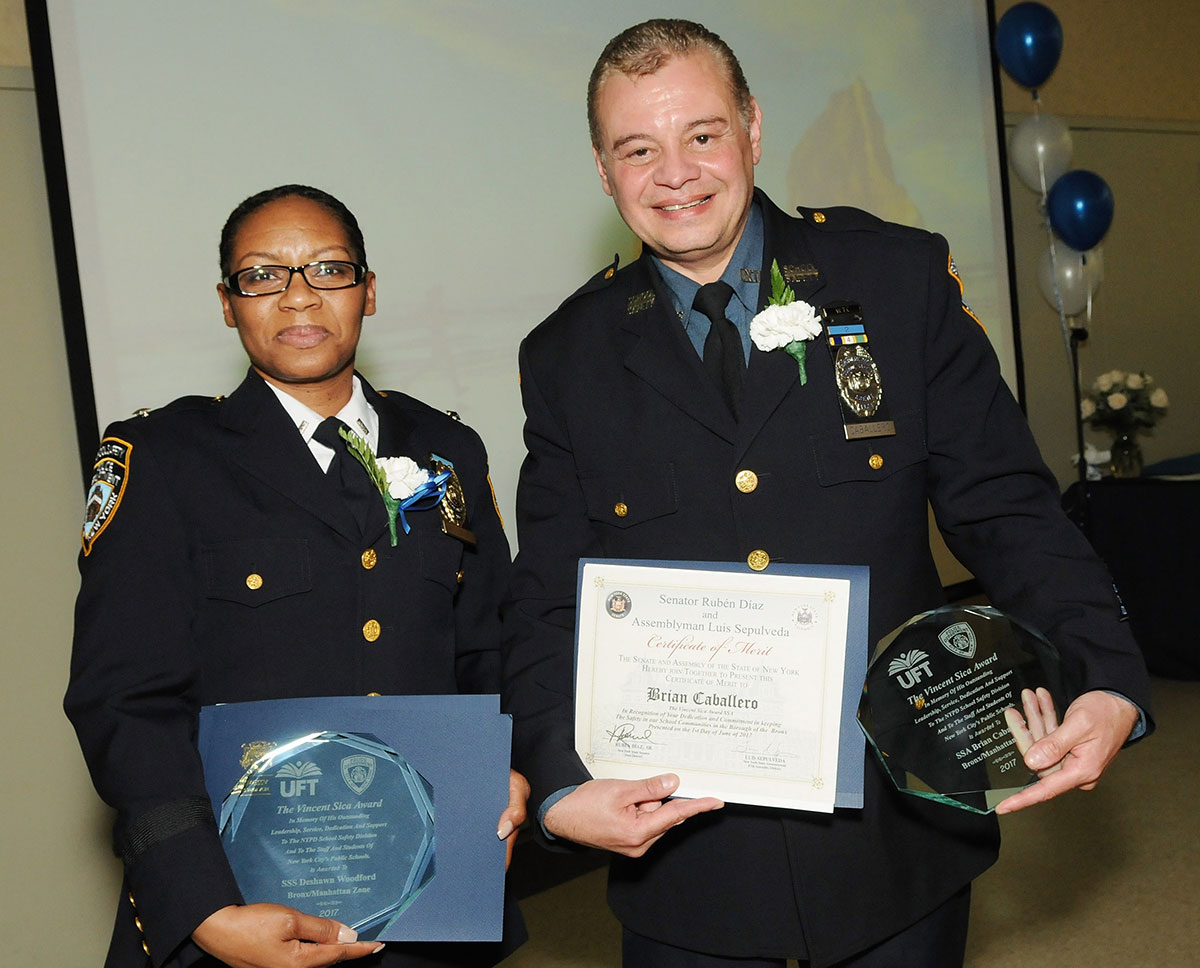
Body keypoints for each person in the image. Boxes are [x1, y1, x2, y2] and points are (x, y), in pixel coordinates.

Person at [503, 19, 1153, 968]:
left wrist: (1106, 676)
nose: (674, 172)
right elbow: (549, 598)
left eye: (702, 133)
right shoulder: (565, 357)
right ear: (604, 171)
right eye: (637, 148)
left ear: (754, 129)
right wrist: (558, 787)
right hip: (692, 864)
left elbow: (1009, 508)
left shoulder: (894, 279)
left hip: (895, 842)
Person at [66, 185, 526, 968]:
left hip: (430, 904)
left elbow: (492, 650)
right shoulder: (166, 460)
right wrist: (202, 905)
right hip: (237, 906)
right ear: (226, 303)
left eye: (328, 269)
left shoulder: (449, 448)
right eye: (262, 275)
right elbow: (124, 704)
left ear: (369, 290)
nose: (299, 296)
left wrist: (509, 770)